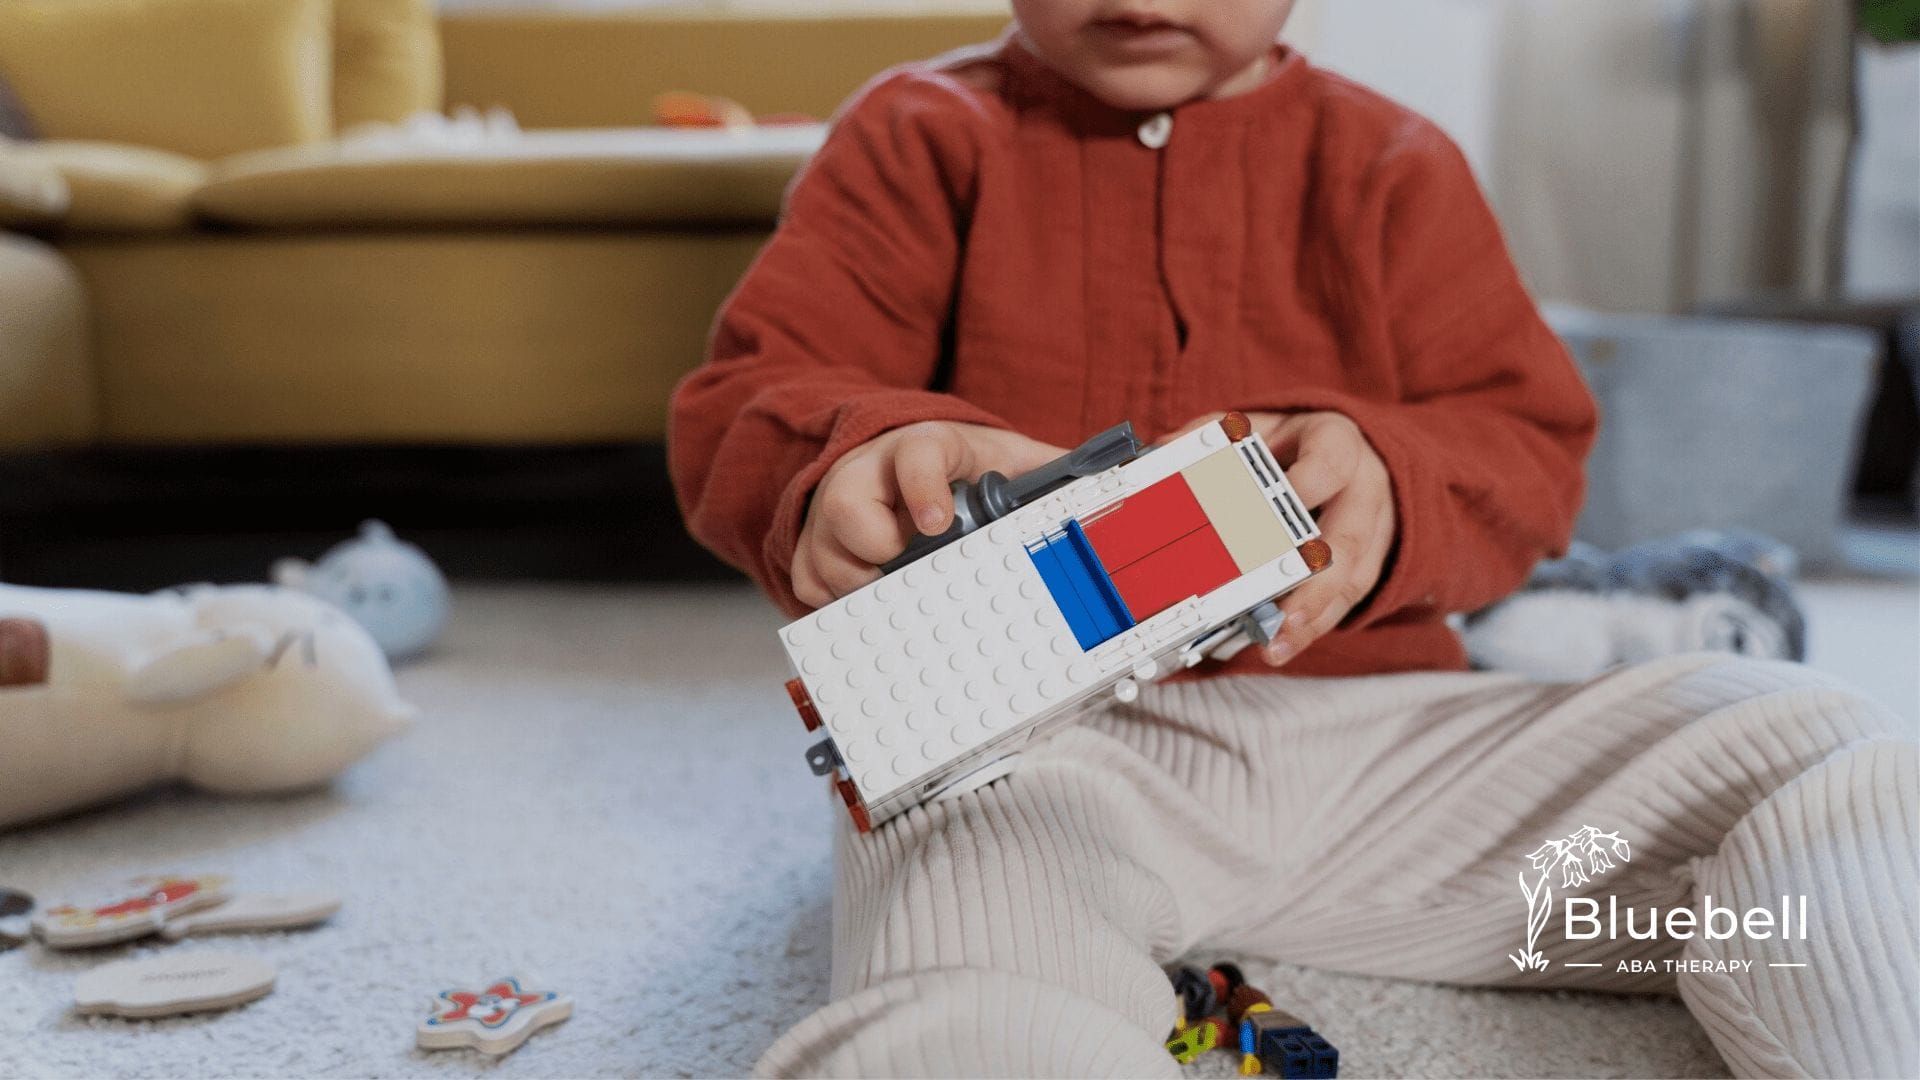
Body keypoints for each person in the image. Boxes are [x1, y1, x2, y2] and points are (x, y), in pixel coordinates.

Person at [670, 2, 1918, 1075]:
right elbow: (746, 397)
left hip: (1386, 759)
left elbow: (1531, 443)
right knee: (964, 920)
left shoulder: (1391, 162)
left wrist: (1393, 479)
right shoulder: (917, 138)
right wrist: (851, 455)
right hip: (1043, 761)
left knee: (1808, 740)